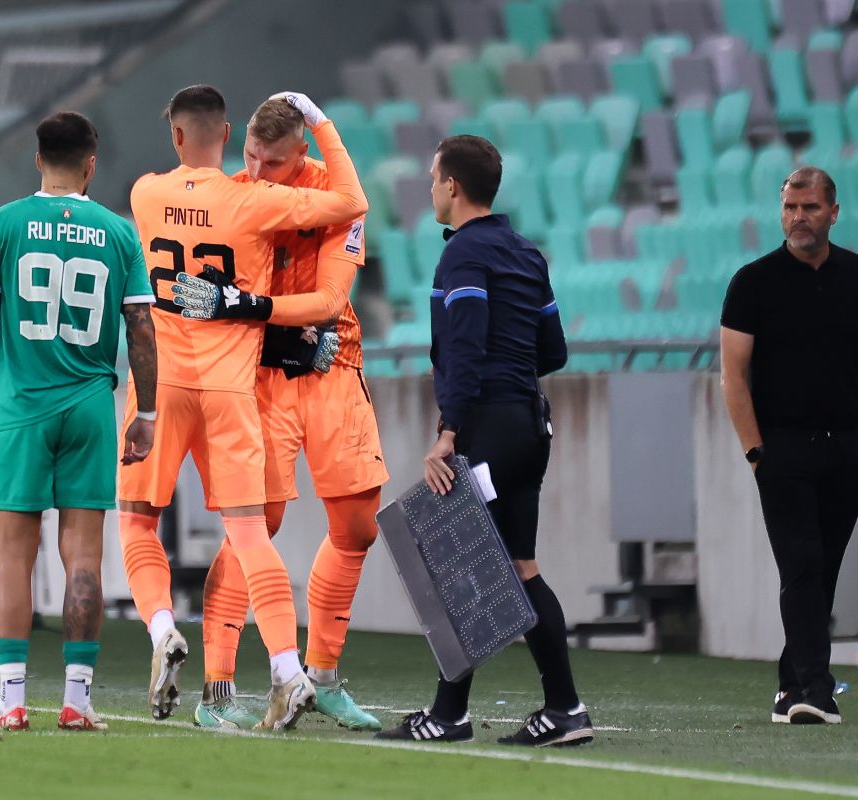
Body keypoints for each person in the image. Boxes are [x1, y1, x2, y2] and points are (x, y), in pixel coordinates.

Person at [117, 85, 368, 731]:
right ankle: (268, 675)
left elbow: (327, 293)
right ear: (230, 137)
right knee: (254, 532)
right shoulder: (251, 198)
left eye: (271, 160)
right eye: (250, 156)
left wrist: (249, 306)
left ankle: (168, 632)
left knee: (138, 523)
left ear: (176, 136)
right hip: (238, 386)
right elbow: (351, 200)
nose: (257, 169)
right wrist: (322, 120)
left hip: (171, 386)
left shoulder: (147, 192)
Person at [377, 135, 593, 746]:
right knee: (518, 567)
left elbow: (467, 345)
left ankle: (450, 715)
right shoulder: (526, 253)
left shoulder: (464, 255)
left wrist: (449, 431)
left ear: (453, 186)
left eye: (433, 178)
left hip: (488, 428)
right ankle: (564, 710)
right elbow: (553, 350)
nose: (430, 188)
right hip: (529, 425)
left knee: (459, 562)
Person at [0, 110, 158, 732]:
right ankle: (77, 700)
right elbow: (142, 329)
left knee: (13, 558)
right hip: (91, 407)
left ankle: (12, 701)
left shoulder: (0, 224)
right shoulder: (120, 233)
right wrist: (146, 412)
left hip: (23, 408)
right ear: (91, 165)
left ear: (37, 159)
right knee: (84, 557)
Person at [720, 166, 858, 726]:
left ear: (833, 212)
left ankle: (790, 682)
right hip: (782, 450)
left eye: (810, 207)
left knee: (822, 570)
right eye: (790, 207)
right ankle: (816, 692)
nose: (798, 217)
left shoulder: (857, 276)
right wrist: (756, 454)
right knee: (801, 564)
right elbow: (733, 377)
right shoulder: (752, 282)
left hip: (848, 448)